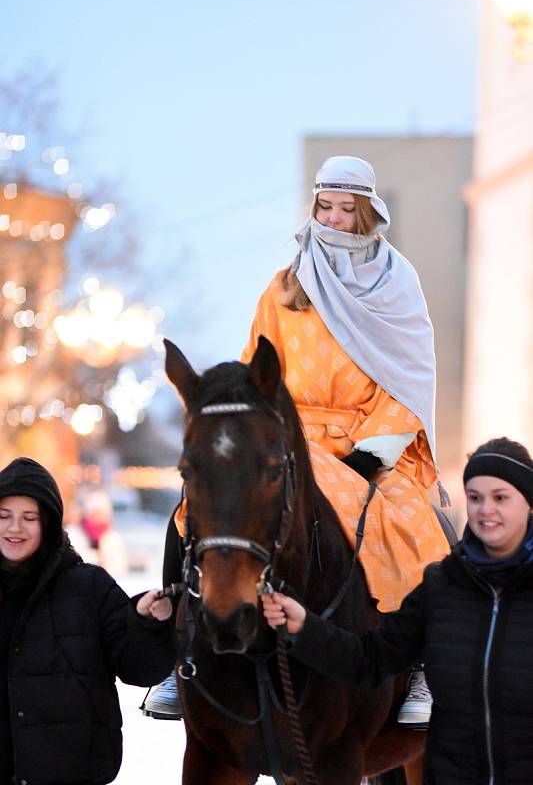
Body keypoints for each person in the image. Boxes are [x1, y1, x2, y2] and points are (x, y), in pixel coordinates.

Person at [145, 154, 450, 723]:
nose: (332, 220)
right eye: (325, 207)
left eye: (345, 209)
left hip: (374, 441)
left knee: (416, 524)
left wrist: (370, 452)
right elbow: (255, 369)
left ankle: (421, 671)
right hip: (291, 437)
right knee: (192, 513)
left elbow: (412, 377)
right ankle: (178, 654)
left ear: (366, 214)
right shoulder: (285, 286)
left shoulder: (398, 283)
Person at [262, 437, 533, 785]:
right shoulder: (442, 586)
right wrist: (305, 627)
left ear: (527, 503)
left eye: (500, 498)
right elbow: (371, 660)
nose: (485, 511)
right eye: (476, 498)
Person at [0, 457, 176, 785]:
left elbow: (140, 669)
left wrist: (146, 623)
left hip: (71, 772)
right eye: (4, 516)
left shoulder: (89, 588)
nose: (14, 528)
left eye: (29, 518)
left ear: (49, 524)